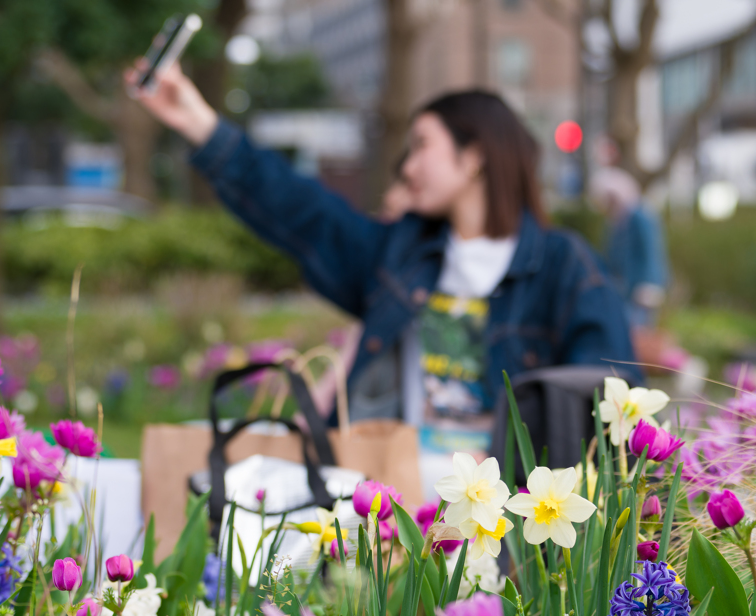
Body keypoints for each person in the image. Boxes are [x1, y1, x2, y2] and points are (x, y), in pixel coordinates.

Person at [125, 62, 636, 485]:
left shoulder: (562, 264)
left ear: (475, 156)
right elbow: (302, 213)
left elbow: (607, 395)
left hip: (505, 517)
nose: (406, 166)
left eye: (421, 145)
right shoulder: (401, 252)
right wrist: (198, 123)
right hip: (387, 497)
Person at [589, 167, 669, 329]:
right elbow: (609, 256)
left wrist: (650, 284)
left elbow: (651, 251)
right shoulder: (614, 221)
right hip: (623, 290)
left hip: (641, 289)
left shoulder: (640, 216)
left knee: (640, 333)